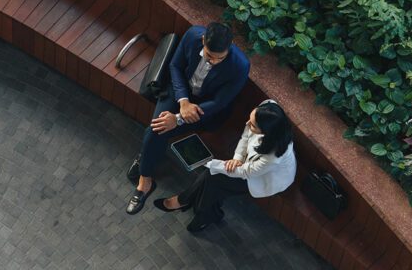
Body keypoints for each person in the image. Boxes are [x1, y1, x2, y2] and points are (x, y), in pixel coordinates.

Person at [125, 22, 250, 214]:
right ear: (203, 40)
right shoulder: (193, 35)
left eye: (219, 58)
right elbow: (175, 66)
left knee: (157, 129)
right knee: (157, 128)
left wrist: (178, 119)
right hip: (179, 92)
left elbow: (219, 102)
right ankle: (145, 179)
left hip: (205, 109)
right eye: (209, 56)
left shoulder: (240, 66)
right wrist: (183, 101)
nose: (213, 62)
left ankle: (145, 165)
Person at [153, 99, 297, 232]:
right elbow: (246, 136)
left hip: (262, 178)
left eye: (253, 125)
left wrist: (212, 164)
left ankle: (184, 200)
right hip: (248, 165)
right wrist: (237, 158)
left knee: (212, 177)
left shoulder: (273, 156)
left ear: (266, 132)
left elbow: (247, 173)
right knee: (213, 182)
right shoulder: (267, 107)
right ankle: (201, 212)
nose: (247, 124)